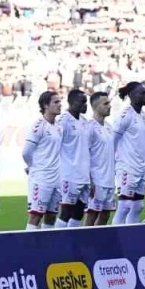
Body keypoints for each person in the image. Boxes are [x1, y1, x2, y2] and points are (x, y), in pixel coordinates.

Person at [23, 91, 63, 230]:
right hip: (41, 178)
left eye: (60, 101)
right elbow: (26, 152)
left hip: (56, 178)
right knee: (36, 215)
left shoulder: (58, 127)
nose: (60, 105)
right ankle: (27, 249)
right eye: (56, 102)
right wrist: (32, 167)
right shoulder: (38, 126)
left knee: (51, 216)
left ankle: (47, 249)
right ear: (45, 105)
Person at [112, 82, 145, 225]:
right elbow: (112, 141)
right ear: (132, 95)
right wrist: (113, 165)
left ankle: (130, 242)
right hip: (127, 167)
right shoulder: (125, 116)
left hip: (141, 168)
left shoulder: (144, 116)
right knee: (124, 206)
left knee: (138, 206)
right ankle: (115, 243)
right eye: (143, 93)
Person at [57, 89, 90, 229]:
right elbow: (55, 145)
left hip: (84, 175)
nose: (85, 105)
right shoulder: (63, 121)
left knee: (79, 212)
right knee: (66, 211)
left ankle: (72, 243)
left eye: (86, 102)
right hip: (69, 174)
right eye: (81, 102)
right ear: (71, 102)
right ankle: (57, 242)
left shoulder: (84, 121)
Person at [84, 91, 117, 226]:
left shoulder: (109, 127)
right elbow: (85, 154)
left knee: (105, 215)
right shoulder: (89, 127)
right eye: (106, 103)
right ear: (96, 106)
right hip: (96, 180)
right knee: (92, 215)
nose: (110, 106)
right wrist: (89, 180)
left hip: (109, 180)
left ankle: (97, 245)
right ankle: (83, 246)